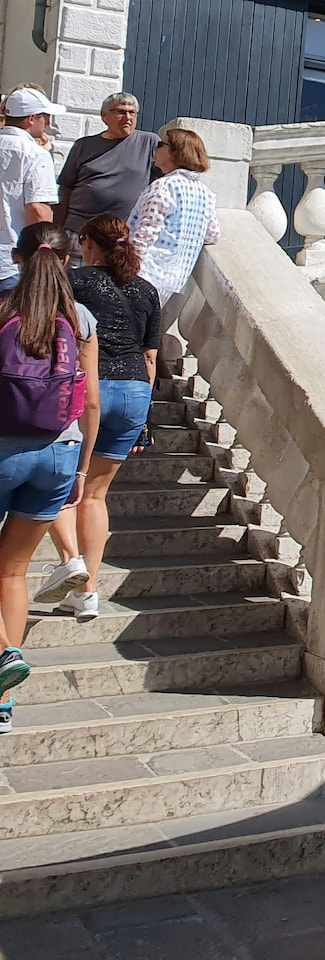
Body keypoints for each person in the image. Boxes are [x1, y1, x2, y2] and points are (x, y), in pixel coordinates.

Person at [1, 223, 100, 732]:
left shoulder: (2, 309)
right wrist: (82, 468)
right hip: (60, 454)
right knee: (12, 572)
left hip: (3, 449)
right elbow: (92, 402)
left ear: (17, 258)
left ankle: (5, 653)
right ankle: (2, 704)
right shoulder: (80, 319)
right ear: (66, 261)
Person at [33, 215, 156, 622]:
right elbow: (150, 358)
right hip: (136, 392)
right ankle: (87, 594)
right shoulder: (146, 289)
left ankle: (71, 563)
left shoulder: (77, 281)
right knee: (96, 496)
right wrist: (146, 421)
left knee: (61, 485)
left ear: (87, 243)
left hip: (93, 388)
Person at [127, 128, 221, 307]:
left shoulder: (164, 186)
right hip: (173, 281)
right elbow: (213, 235)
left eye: (160, 145)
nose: (155, 149)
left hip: (145, 275)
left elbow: (144, 236)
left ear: (175, 151)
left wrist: (124, 273)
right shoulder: (206, 194)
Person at [55, 93, 158, 238]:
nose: (128, 117)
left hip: (126, 234)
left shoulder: (149, 143)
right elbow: (65, 189)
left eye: (132, 112)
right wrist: (58, 230)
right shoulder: (84, 146)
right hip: (81, 231)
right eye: (121, 112)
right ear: (104, 116)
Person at [0, 89, 61, 297]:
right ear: (32, 118)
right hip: (11, 261)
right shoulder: (35, 154)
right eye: (45, 116)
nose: (48, 122)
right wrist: (50, 251)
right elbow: (38, 209)